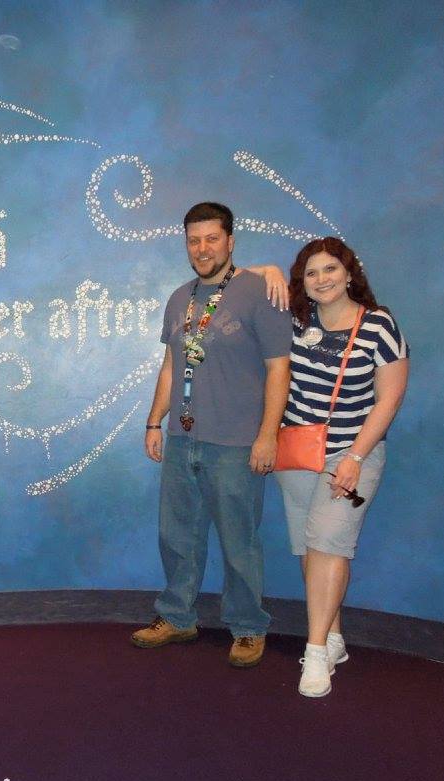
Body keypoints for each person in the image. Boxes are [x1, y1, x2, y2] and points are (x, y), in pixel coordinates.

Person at [132, 202, 292, 667]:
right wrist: (154, 421)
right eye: (194, 240)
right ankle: (177, 617)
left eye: (212, 239)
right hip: (183, 438)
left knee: (239, 543)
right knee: (177, 536)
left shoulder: (261, 292)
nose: (202, 249)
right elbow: (170, 365)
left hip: (237, 443)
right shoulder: (179, 298)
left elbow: (279, 369)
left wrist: (268, 435)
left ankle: (247, 627)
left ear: (230, 241)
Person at [274, 237, 408, 697]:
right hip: (297, 451)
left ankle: (315, 654)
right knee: (309, 549)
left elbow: (389, 399)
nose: (322, 279)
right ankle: (333, 638)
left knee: (330, 543)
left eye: (330, 269)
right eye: (311, 273)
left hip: (352, 454)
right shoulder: (296, 321)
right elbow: (239, 280)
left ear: (350, 273)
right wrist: (268, 271)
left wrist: (354, 457)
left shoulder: (379, 325)